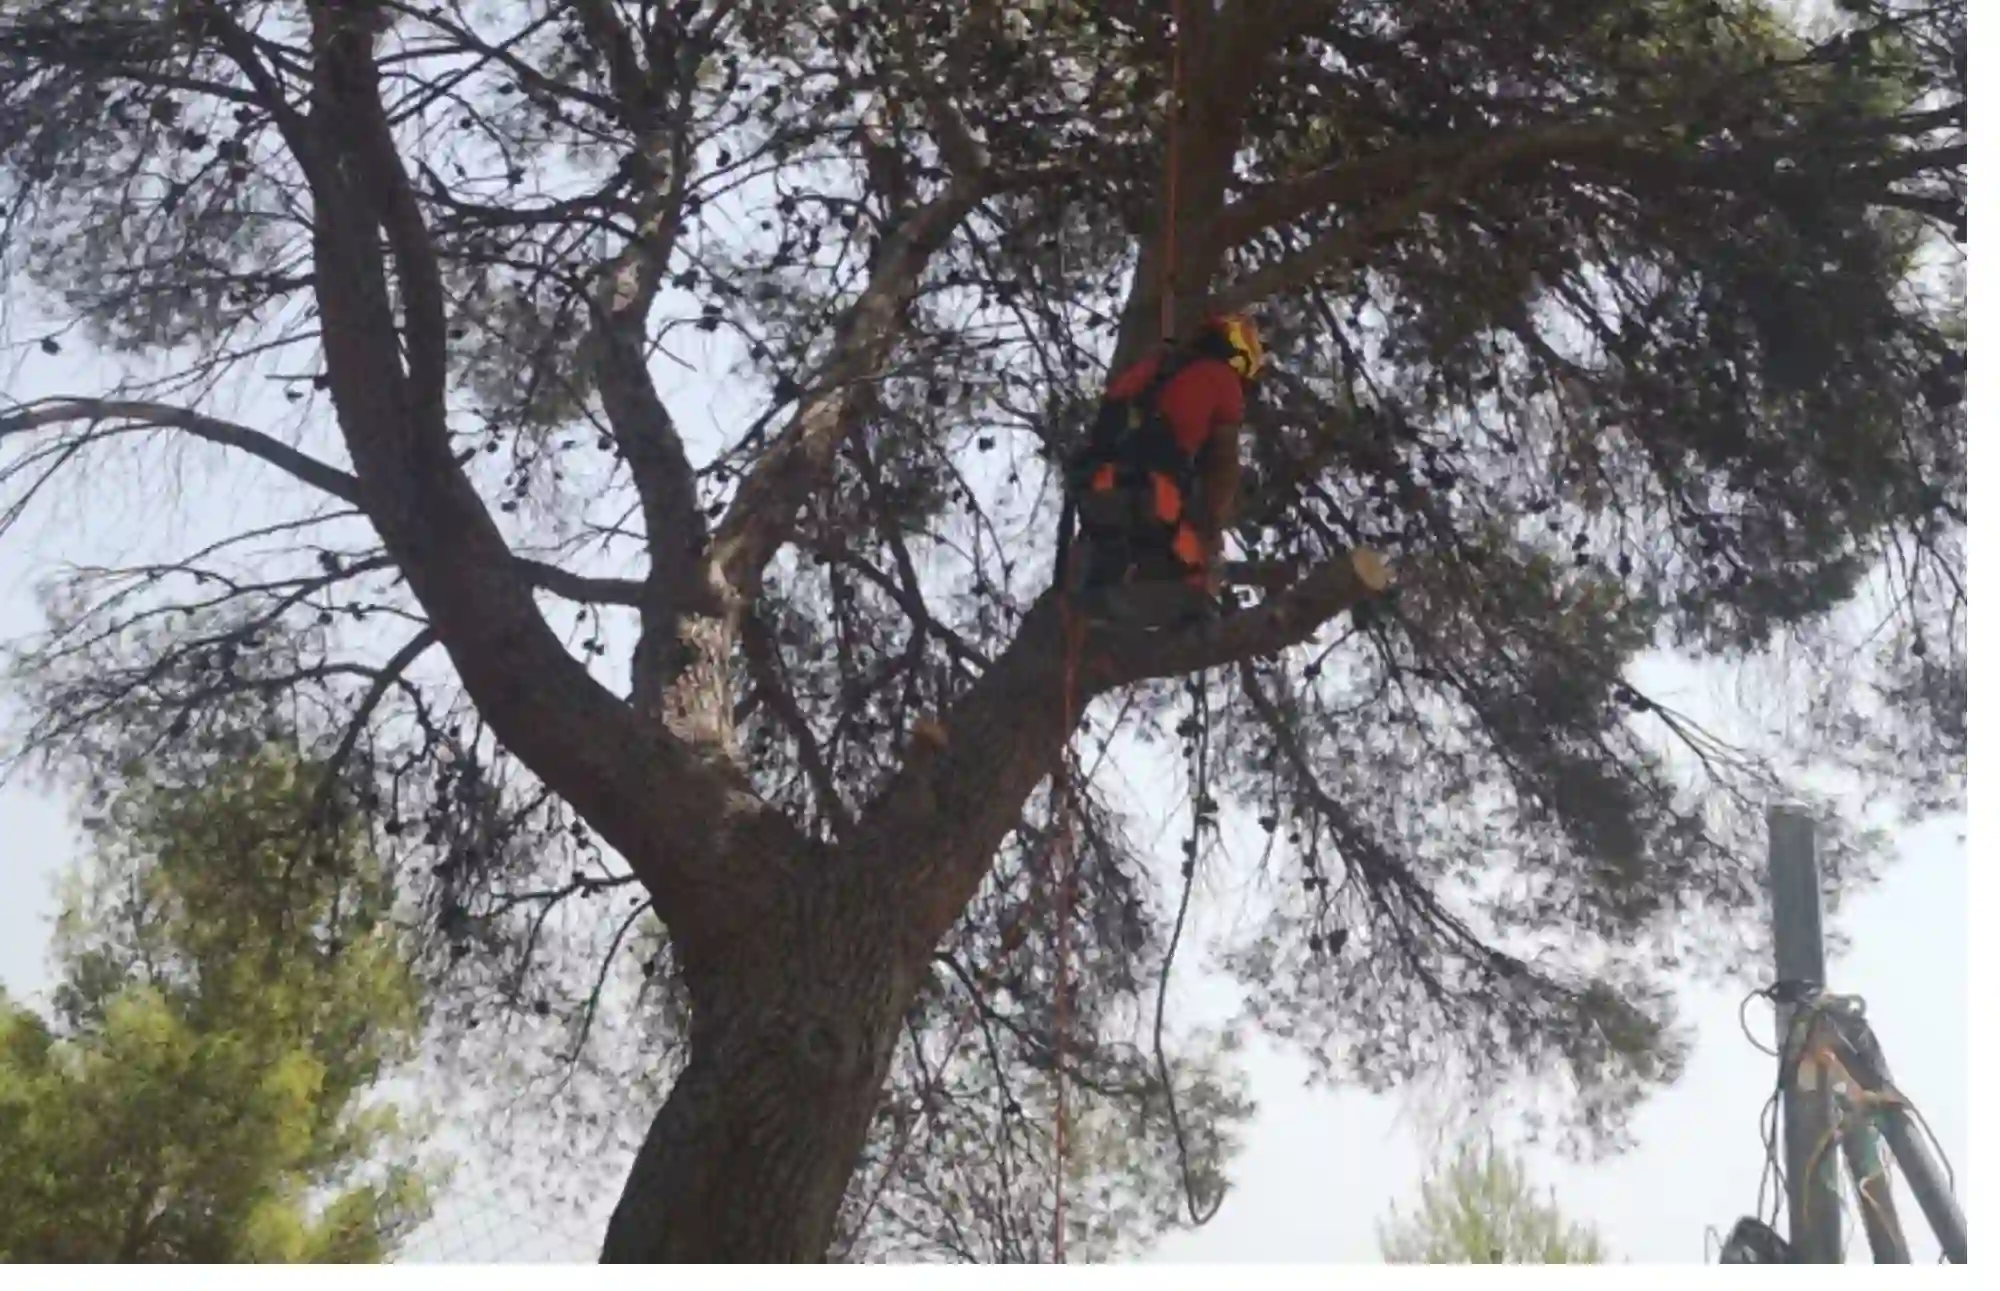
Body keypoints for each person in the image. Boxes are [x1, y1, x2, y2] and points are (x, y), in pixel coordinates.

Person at [1063, 312, 1265, 623]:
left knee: (1116, 553)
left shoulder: (1151, 369)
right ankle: (1173, 618)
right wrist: (1211, 529)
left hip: (1096, 491)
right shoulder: (1223, 381)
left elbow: (1107, 422)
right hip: (1151, 490)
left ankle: (1098, 600)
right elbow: (1221, 469)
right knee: (1194, 571)